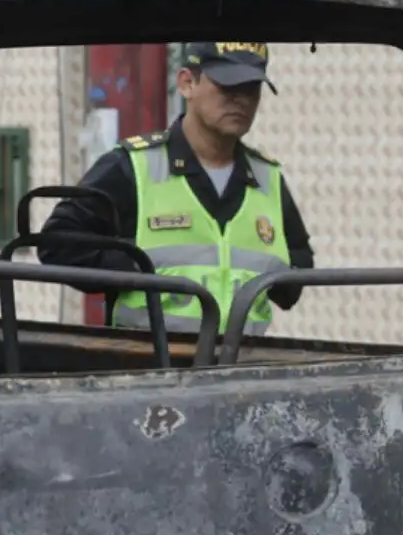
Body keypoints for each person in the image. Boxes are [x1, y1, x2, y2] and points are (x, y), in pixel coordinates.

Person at [37, 41, 314, 337]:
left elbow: (297, 267)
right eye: (228, 86)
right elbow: (56, 242)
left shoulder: (267, 177)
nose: (241, 100)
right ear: (186, 83)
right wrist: (133, 265)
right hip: (149, 359)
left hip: (240, 360)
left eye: (251, 89)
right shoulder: (134, 167)